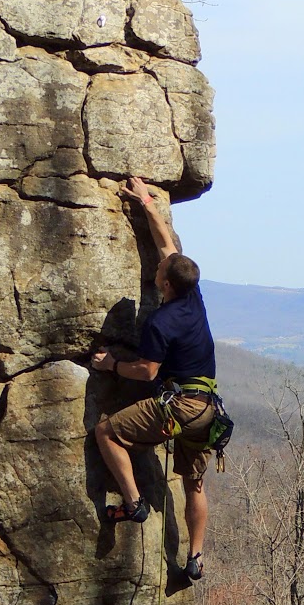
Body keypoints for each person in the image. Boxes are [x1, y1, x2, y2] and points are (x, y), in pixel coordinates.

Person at [91, 176, 216, 582]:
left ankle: (133, 502)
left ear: (165, 284)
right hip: (207, 409)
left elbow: (147, 371)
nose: (158, 264)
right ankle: (195, 557)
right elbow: (167, 245)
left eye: (160, 270)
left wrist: (111, 365)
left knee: (107, 432)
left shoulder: (161, 321)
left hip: (177, 407)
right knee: (193, 484)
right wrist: (145, 200)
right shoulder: (193, 295)